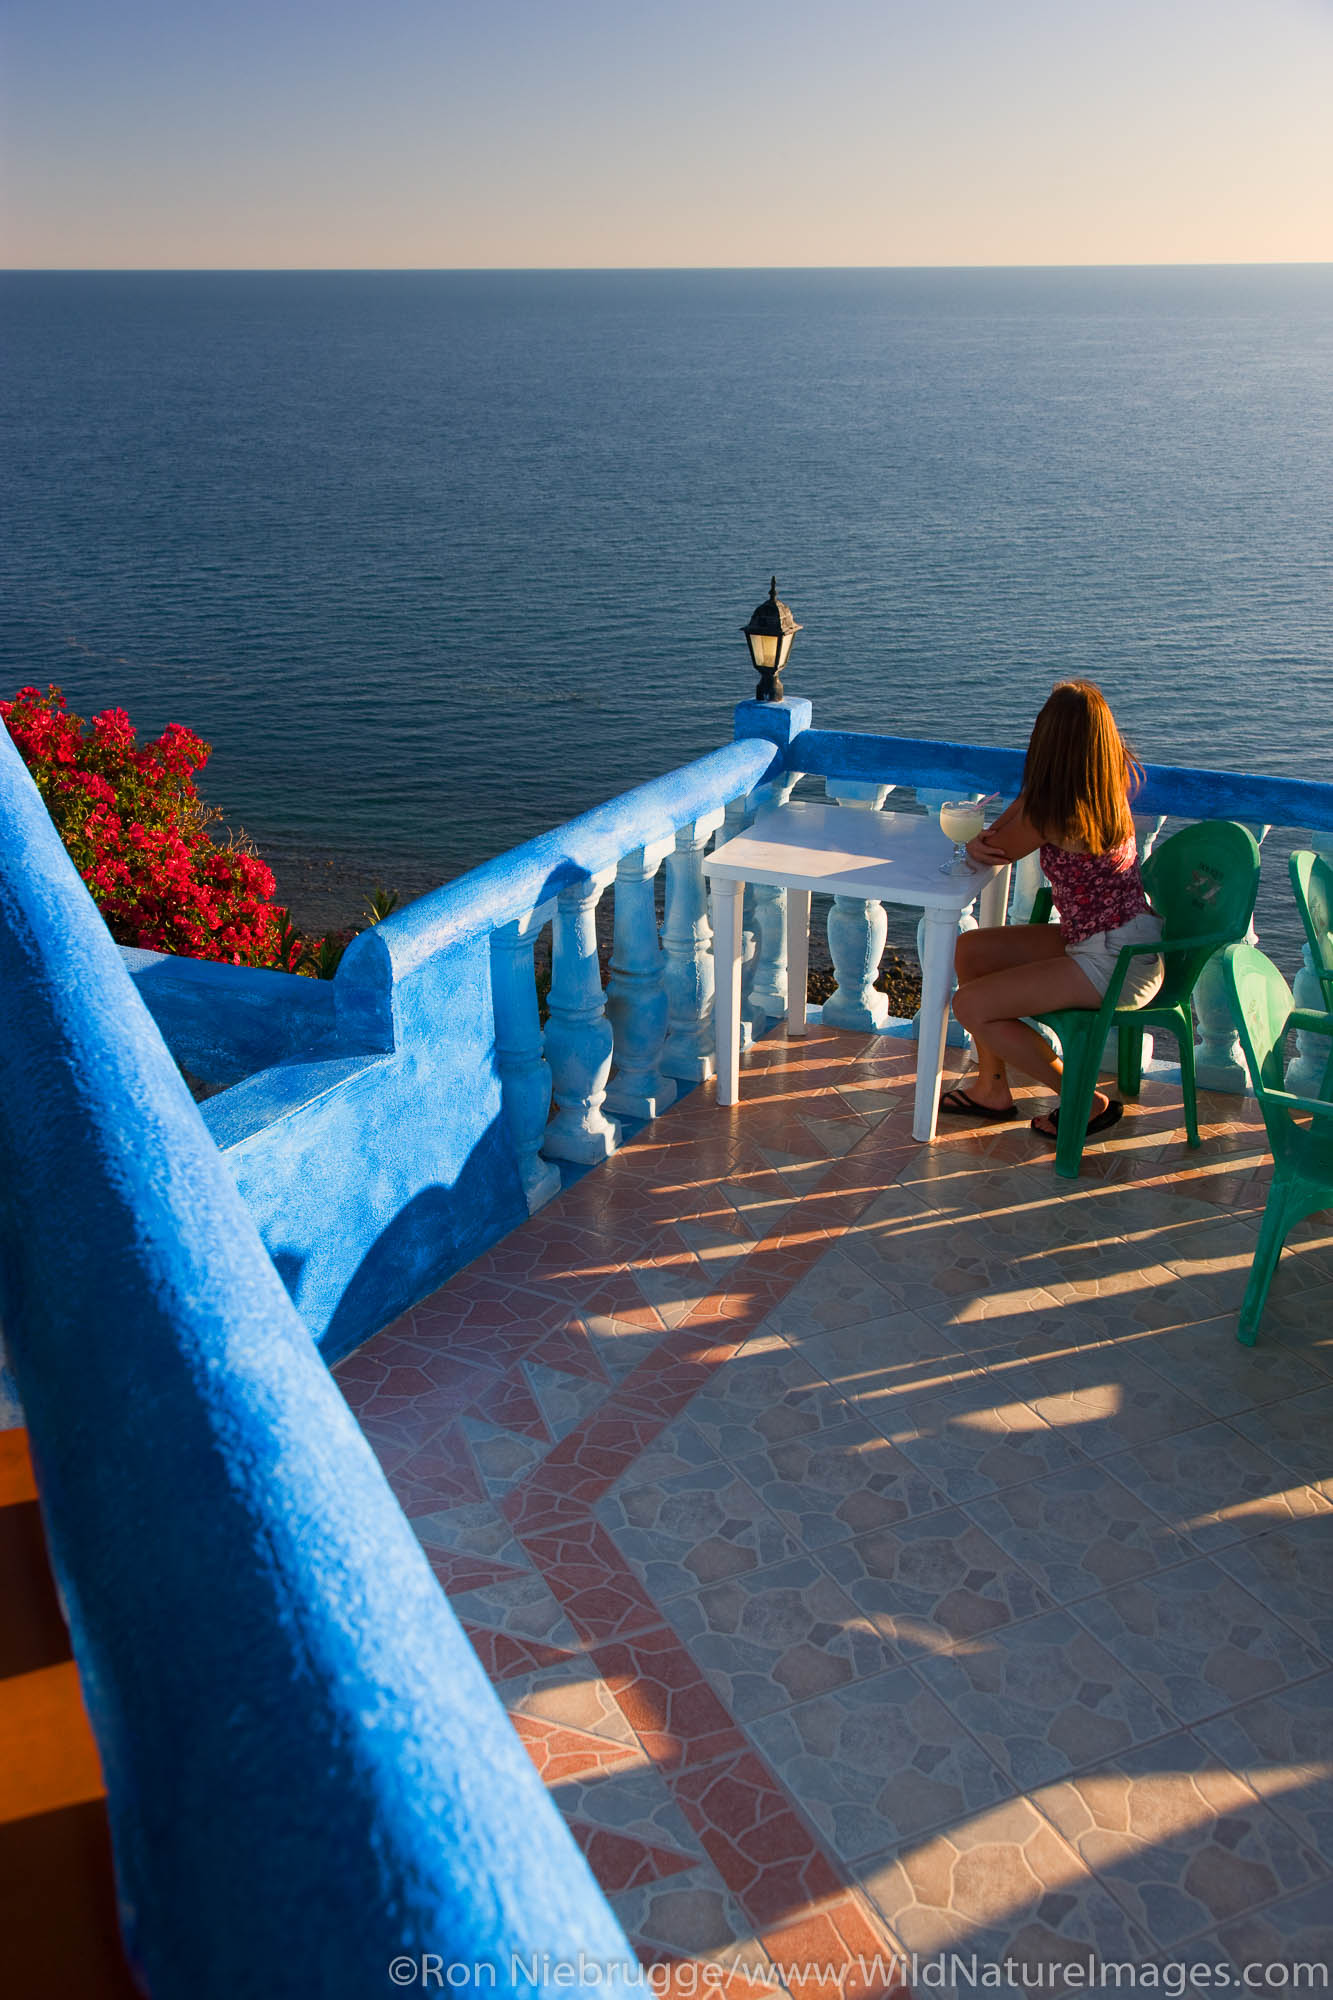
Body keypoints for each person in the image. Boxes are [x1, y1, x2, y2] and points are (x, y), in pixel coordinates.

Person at [940, 679, 1164, 1141]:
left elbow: (993, 849)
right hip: (1111, 936)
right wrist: (1028, 792)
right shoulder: (1104, 780)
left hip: (1114, 959)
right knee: (972, 951)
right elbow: (1008, 828)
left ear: (1046, 742)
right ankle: (991, 1089)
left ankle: (1084, 1099)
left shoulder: (1058, 811)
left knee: (970, 1006)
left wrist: (982, 840)